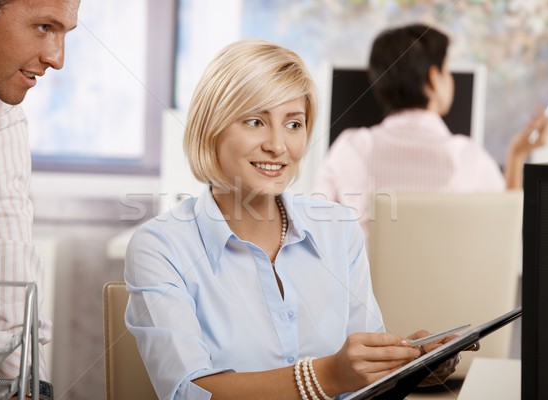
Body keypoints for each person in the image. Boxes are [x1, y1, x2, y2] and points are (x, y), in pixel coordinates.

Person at [125, 39, 464, 400]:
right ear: (212, 129)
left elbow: (365, 384)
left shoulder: (338, 228)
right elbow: (186, 392)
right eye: (256, 121)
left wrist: (402, 366)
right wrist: (327, 376)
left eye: (293, 123)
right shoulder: (161, 247)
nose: (277, 145)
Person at [314, 23, 548, 238]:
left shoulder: (351, 148)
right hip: (455, 286)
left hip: (365, 287)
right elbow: (507, 232)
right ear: (434, 79)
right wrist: (517, 154)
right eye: (447, 71)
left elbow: (317, 232)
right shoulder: (467, 157)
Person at [0, 0, 79, 385]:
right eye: (44, 27)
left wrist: (28, 389)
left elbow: (1, 252)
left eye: (63, 34)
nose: (57, 59)